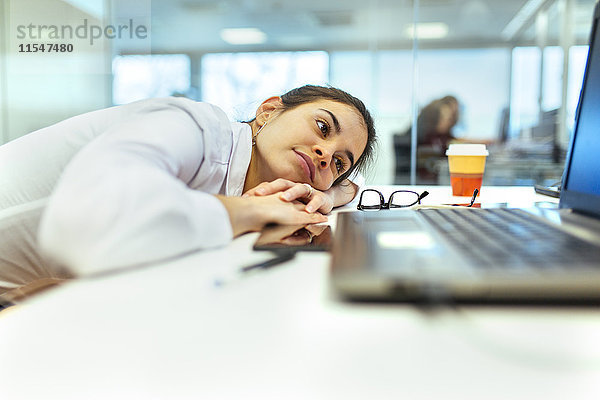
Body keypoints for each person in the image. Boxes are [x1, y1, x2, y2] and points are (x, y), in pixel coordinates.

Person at [0, 85, 376, 298]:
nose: (326, 155)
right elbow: (91, 219)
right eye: (323, 128)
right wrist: (248, 211)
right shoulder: (194, 128)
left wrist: (327, 196)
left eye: (340, 162)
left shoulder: (275, 174)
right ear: (267, 111)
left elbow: (349, 188)